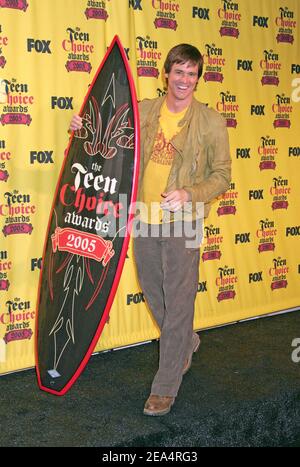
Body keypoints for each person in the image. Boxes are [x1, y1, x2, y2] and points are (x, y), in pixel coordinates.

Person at [69, 43, 231, 416]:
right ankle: (185, 342)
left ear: (198, 79)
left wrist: (189, 192)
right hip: (142, 217)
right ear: (167, 74)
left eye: (191, 74)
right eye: (179, 72)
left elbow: (222, 176)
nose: (184, 80)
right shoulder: (145, 110)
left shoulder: (210, 122)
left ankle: (165, 385)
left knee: (178, 301)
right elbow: (110, 141)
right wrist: (83, 128)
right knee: (155, 295)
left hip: (185, 222)